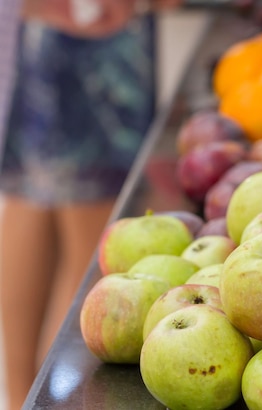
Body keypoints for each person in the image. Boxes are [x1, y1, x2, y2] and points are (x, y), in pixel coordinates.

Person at [0, 1, 181, 408]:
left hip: (57, 27)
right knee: (94, 221)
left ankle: (21, 399)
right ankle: (53, 402)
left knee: (36, 190)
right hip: (94, 27)